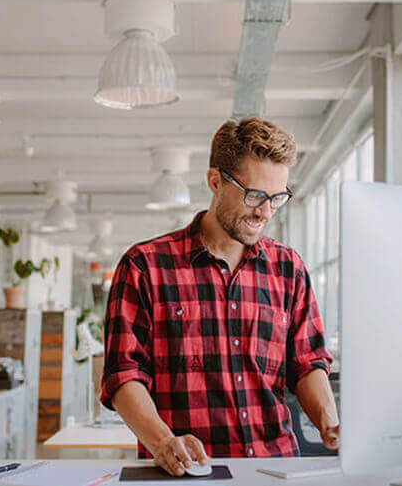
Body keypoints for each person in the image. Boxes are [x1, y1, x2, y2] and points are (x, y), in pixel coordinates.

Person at [100, 116, 338, 476]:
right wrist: (163, 442)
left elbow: (308, 363)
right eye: (255, 195)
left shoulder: (288, 268)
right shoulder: (144, 266)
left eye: (277, 198)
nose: (265, 211)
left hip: (276, 470)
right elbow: (123, 375)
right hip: (187, 473)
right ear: (215, 181)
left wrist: (330, 423)